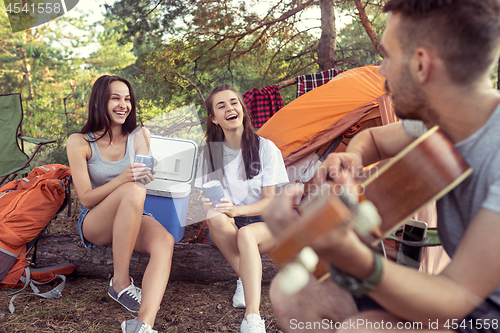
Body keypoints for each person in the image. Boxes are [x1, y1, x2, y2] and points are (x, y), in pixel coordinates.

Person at [263, 0, 500, 332]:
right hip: (456, 297)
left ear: (421, 65)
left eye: (387, 56)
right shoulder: (445, 120)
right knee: (295, 297)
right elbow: (373, 139)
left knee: (363, 328)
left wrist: (352, 256)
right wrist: (353, 159)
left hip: (482, 315)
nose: (380, 71)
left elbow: (453, 300)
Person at [66, 75, 174, 333]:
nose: (123, 104)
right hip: (95, 220)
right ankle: (120, 282)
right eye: (115, 98)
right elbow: (86, 198)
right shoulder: (79, 142)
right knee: (133, 190)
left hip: (133, 211)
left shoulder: (139, 134)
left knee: (164, 241)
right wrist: (126, 179)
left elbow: (141, 179)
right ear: (98, 103)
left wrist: (146, 175)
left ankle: (143, 324)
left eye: (127, 99)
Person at [195, 84, 288, 333]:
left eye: (234, 102)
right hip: (229, 225)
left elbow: (271, 200)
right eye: (221, 106)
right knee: (212, 214)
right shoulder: (208, 155)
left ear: (243, 110)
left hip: (266, 223)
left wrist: (237, 210)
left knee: (247, 234)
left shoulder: (265, 148)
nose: (229, 108)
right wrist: (209, 203)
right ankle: (245, 276)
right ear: (214, 118)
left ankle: (252, 317)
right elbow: (210, 201)